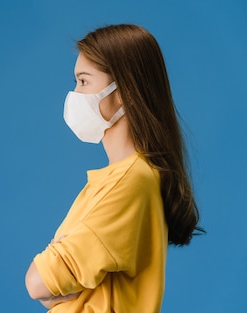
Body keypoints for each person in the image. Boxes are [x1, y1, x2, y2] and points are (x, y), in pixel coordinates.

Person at [24, 24, 203, 312]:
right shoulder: (113, 181)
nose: (74, 95)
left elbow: (37, 283)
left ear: (124, 92)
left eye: (84, 82)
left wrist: (54, 269)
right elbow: (46, 289)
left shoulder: (129, 182)